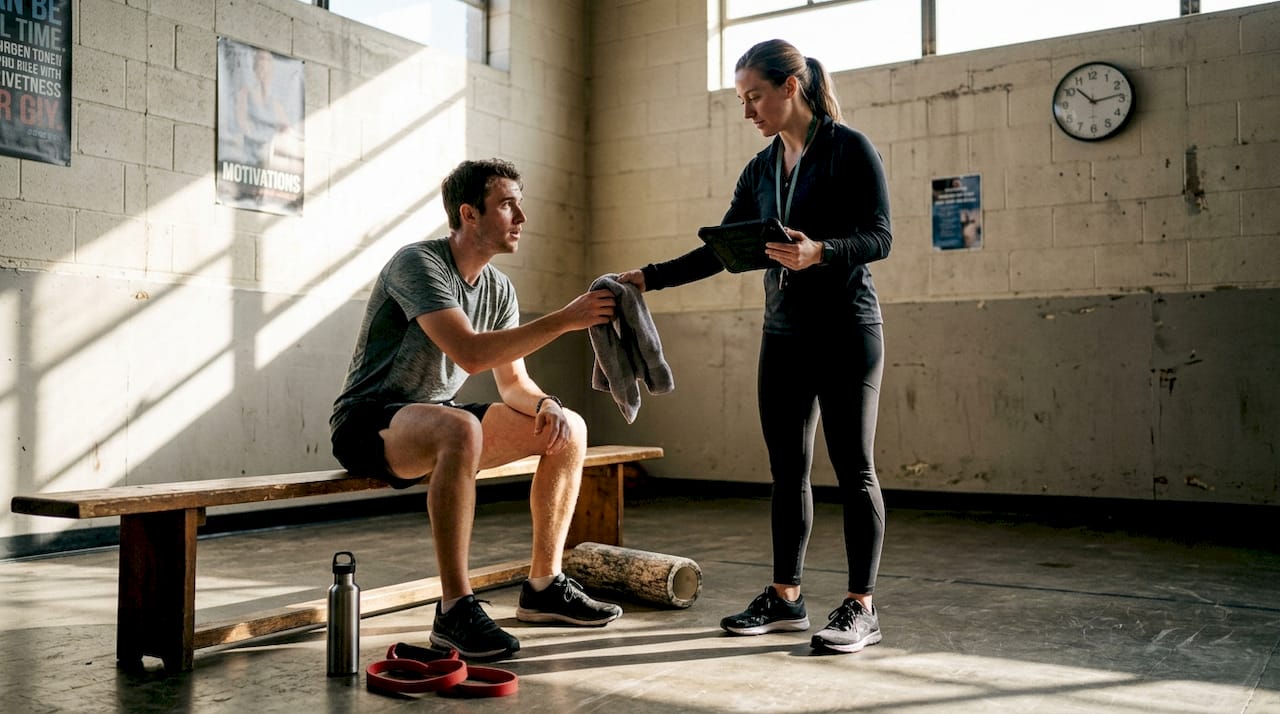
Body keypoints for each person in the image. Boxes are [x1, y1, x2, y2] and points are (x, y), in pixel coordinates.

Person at [617, 39, 892, 654]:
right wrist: (649, 276)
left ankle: (860, 607)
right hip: (784, 335)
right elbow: (725, 248)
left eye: (754, 96)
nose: (748, 111)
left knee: (855, 469)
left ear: (790, 86)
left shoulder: (849, 149)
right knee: (787, 470)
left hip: (848, 330)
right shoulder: (761, 169)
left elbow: (880, 236)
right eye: (742, 99)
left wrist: (821, 250)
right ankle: (786, 597)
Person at [330, 158, 624, 661]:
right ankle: (454, 609)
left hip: (439, 418)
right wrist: (566, 318)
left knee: (569, 427)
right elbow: (467, 351)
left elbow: (514, 383)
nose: (521, 218)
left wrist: (547, 403)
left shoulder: (499, 288)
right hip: (368, 421)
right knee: (460, 427)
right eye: (508, 204)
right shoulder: (417, 264)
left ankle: (544, 585)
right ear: (469, 213)